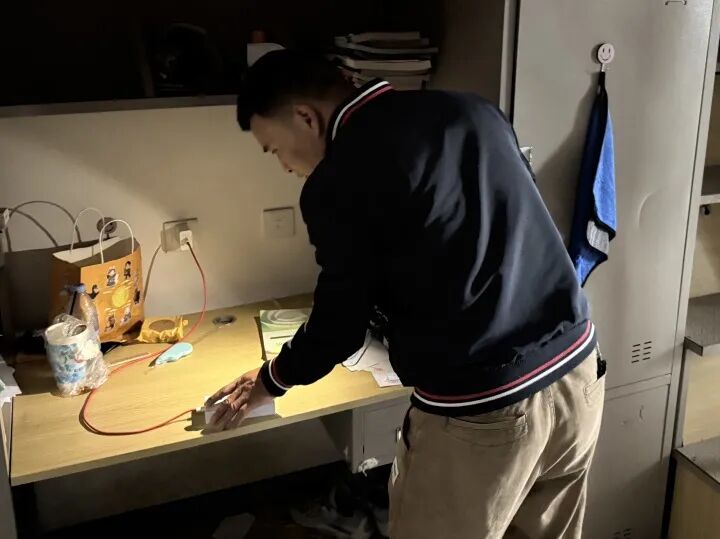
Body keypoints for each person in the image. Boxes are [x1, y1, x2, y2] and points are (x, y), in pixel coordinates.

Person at [206, 50, 606, 539]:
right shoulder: (473, 110)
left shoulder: (339, 178)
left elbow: (339, 326)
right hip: (577, 375)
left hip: (485, 412)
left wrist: (273, 379)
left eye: (275, 150)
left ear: (306, 117)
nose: (285, 167)